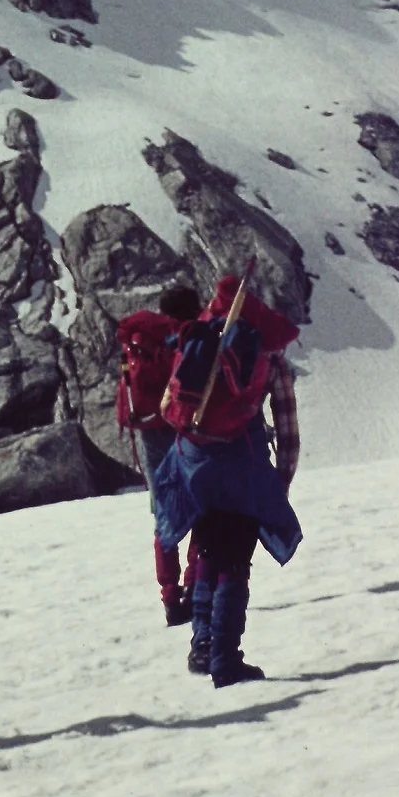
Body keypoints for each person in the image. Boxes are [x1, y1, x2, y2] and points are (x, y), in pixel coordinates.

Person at [154, 276, 302, 688]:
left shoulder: (202, 345)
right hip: (241, 472)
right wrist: (278, 484)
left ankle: (201, 645)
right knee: (234, 564)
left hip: (196, 467)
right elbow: (287, 430)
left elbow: (169, 406)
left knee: (205, 553)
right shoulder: (268, 359)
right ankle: (226, 660)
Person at [116, 284, 201, 626]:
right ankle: (194, 588)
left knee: (163, 513)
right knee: (199, 508)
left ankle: (169, 597)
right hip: (182, 429)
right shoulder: (185, 338)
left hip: (150, 432)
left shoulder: (141, 340)